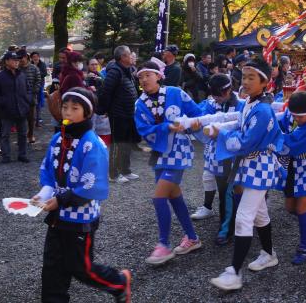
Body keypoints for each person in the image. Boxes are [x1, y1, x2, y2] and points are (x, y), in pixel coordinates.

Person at [32, 87, 132, 303]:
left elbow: (92, 186)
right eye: (64, 107)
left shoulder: (93, 143)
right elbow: (48, 170)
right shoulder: (58, 138)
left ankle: (119, 282)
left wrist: (59, 200)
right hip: (57, 215)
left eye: (74, 108)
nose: (67, 112)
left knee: (81, 267)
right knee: (52, 267)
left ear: (87, 113)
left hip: (80, 217)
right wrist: (44, 193)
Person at [209, 59, 283, 291]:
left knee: (244, 217)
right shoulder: (250, 104)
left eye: (252, 77)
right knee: (259, 215)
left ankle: (234, 272)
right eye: (244, 76)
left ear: (265, 82)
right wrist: (219, 130)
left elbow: (247, 142)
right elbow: (240, 128)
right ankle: (269, 254)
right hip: (251, 167)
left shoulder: (262, 110)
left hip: (259, 167)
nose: (246, 81)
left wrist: (218, 135)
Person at [134, 61, 203, 266]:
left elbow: (196, 113)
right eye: (140, 77)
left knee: (159, 197)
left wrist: (192, 126)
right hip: (159, 152)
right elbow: (143, 130)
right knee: (174, 196)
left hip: (179, 151)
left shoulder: (175, 92)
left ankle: (163, 244)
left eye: (148, 75)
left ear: (159, 76)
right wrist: (167, 127)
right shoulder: (140, 104)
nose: (144, 79)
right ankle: (192, 238)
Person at [191, 75, 245, 246]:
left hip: (234, 155)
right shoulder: (209, 104)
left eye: (219, 94)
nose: (216, 98)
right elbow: (198, 120)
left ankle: (230, 227)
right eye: (213, 94)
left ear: (229, 90)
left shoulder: (242, 105)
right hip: (216, 154)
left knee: (233, 191)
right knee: (224, 191)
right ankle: (226, 226)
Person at [277, 91, 306, 265]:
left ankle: (304, 248)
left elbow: (292, 143)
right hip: (292, 166)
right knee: (290, 208)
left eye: (300, 116)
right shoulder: (292, 114)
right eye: (294, 115)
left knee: (302, 208)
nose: (296, 119)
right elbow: (281, 124)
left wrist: (272, 137)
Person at [97, 45, 141, 183]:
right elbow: (106, 91)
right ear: (123, 57)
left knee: (127, 142)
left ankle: (125, 170)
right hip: (118, 114)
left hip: (128, 113)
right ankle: (113, 174)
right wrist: (103, 109)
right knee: (117, 143)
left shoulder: (126, 70)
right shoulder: (115, 71)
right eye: (129, 54)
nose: (132, 56)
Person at [0, 51, 31, 163]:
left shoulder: (22, 75)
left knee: (23, 134)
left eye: (17, 60)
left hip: (22, 109)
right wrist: (3, 103)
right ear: (6, 61)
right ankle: (6, 156)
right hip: (6, 110)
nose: (16, 62)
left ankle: (22, 155)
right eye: (14, 60)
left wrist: (27, 101)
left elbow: (28, 89)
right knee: (5, 135)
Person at [18, 50, 42, 144]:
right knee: (20, 118)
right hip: (19, 98)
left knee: (31, 118)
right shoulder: (17, 68)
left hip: (31, 97)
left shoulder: (34, 68)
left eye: (22, 57)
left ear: (26, 57)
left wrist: (33, 92)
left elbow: (38, 81)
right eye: (19, 58)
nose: (20, 60)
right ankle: (22, 136)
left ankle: (31, 135)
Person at [30, 51, 48, 127]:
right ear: (31, 58)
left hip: (40, 84)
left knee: (39, 102)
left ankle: (38, 118)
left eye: (36, 56)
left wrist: (36, 73)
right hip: (30, 85)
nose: (35, 58)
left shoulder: (42, 64)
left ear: (38, 57)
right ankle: (32, 118)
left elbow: (44, 73)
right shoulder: (29, 64)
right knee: (31, 102)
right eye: (34, 57)